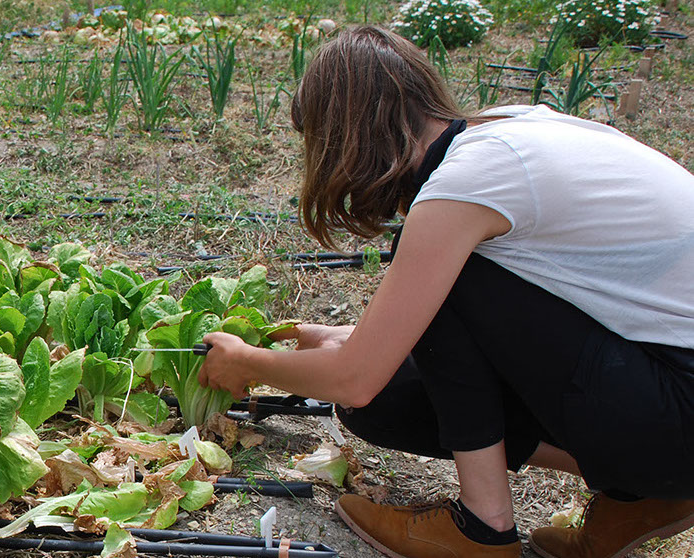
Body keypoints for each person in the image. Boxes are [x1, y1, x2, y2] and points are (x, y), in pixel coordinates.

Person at [196, 25, 694, 558]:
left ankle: (483, 529)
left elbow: (354, 380)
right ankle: (639, 495)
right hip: (663, 389)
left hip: (676, 406)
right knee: (390, 400)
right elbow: (545, 314)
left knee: (449, 282)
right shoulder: (506, 128)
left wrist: (246, 361)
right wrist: (352, 337)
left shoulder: (466, 182)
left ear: (350, 137)